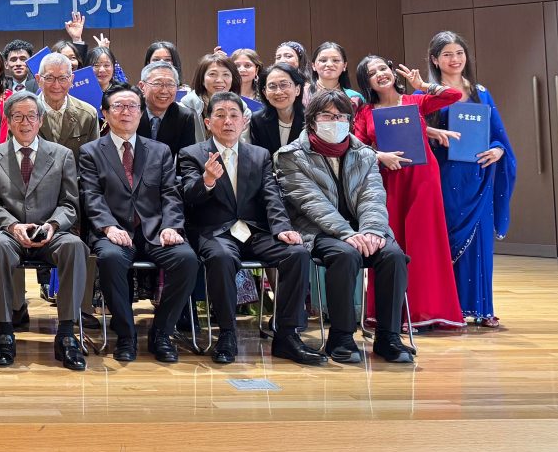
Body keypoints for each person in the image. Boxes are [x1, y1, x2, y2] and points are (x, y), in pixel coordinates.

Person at [176, 92, 324, 366]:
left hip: (253, 231)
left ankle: (287, 335)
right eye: (220, 115)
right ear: (208, 122)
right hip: (215, 232)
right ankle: (227, 334)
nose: (228, 121)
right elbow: (188, 197)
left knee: (296, 253)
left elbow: (271, 195)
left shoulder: (259, 155)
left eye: (234, 115)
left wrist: (282, 228)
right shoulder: (191, 154)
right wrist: (207, 180)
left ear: (244, 121)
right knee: (221, 257)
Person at [275, 90, 415, 364]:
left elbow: (373, 196)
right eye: (327, 116)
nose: (335, 121)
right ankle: (341, 336)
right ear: (312, 120)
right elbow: (311, 203)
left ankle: (388, 337)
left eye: (341, 116)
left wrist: (372, 230)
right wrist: (347, 234)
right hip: (317, 229)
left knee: (393, 255)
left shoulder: (364, 154)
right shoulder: (290, 156)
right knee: (345, 254)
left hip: (363, 229)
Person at [79, 83, 198, 363]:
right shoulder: (90, 151)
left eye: (133, 106)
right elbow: (91, 196)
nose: (126, 112)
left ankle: (161, 333)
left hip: (156, 231)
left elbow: (171, 194)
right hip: (113, 232)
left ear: (141, 112)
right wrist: (108, 227)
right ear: (105, 113)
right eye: (118, 106)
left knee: (187, 260)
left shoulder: (160, 151)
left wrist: (171, 226)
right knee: (109, 259)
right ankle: (126, 335)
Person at [0, 91, 89, 371]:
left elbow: (70, 204)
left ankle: (66, 334)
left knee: (75, 246)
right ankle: (5, 332)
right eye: (18, 116)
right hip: (10, 232)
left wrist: (52, 225)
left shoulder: (62, 155)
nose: (25, 122)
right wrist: (13, 226)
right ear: (8, 120)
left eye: (31, 116)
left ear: (40, 120)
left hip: (51, 231)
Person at [353, 56, 465, 330]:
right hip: (388, 180)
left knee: (424, 242)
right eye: (372, 73)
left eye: (383, 68)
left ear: (392, 72)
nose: (380, 74)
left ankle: (424, 312)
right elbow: (356, 146)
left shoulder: (415, 101)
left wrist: (424, 85)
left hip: (422, 178)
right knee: (393, 243)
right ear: (367, 82)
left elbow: (453, 95)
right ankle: (392, 313)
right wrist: (380, 156)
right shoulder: (365, 111)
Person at [425, 31, 516, 328]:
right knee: (444, 240)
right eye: (447, 54)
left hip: (479, 177)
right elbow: (419, 133)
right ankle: (448, 309)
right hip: (443, 177)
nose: (455, 59)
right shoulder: (429, 94)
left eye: (459, 53)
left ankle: (481, 307)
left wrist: (498, 151)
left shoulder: (480, 92)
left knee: (479, 245)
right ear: (435, 60)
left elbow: (498, 136)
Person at [37, 53, 100, 157]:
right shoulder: (25, 114)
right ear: (38, 79)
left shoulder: (88, 114)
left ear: (71, 80)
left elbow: (93, 158)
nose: (56, 85)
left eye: (63, 78)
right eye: (49, 78)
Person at [137, 61, 197, 156]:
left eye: (170, 84)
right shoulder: (132, 112)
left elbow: (186, 158)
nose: (164, 91)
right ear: (142, 87)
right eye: (157, 84)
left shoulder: (184, 117)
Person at [179, 53, 241, 144]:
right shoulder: (185, 109)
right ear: (202, 79)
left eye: (225, 74)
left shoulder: (243, 109)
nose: (219, 80)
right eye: (212, 74)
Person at [249, 63, 306, 155]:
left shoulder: (310, 120)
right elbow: (258, 157)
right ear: (265, 93)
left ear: (297, 90)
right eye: (272, 86)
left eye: (284, 85)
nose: (278, 92)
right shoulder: (258, 120)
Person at [306, 41, 364, 106]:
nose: (329, 64)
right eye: (323, 60)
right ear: (313, 66)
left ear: (344, 66)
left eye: (336, 60)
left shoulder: (355, 98)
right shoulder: (302, 94)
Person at [230, 49, 265, 114]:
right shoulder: (224, 94)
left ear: (256, 70)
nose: (242, 69)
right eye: (237, 66)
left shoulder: (265, 95)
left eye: (247, 65)